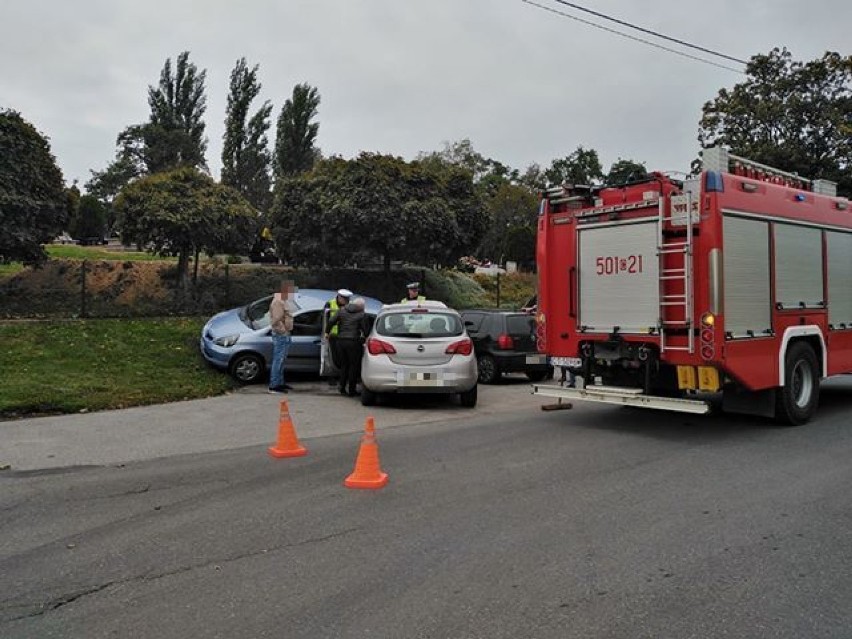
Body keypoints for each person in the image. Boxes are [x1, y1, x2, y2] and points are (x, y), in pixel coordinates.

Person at [326, 296, 369, 396]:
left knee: (344, 365)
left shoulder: (342, 310)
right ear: (361, 307)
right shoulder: (362, 314)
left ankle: (342, 387)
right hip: (353, 342)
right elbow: (365, 331)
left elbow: (331, 321)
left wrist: (327, 332)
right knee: (353, 366)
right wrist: (365, 338)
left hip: (340, 342)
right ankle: (351, 390)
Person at [268, 279, 297, 394]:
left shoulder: (283, 300)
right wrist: (283, 331)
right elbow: (276, 320)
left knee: (282, 360)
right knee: (278, 360)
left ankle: (280, 382)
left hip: (284, 334)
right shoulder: (278, 302)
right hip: (281, 335)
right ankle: (274, 385)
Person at [322, 289, 352, 383]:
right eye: (344, 299)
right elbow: (325, 319)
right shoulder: (329, 304)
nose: (346, 301)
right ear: (339, 297)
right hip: (332, 335)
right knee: (332, 357)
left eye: (347, 299)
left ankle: (342, 377)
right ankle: (332, 377)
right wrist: (326, 332)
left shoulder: (350, 306)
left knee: (342, 358)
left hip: (344, 335)